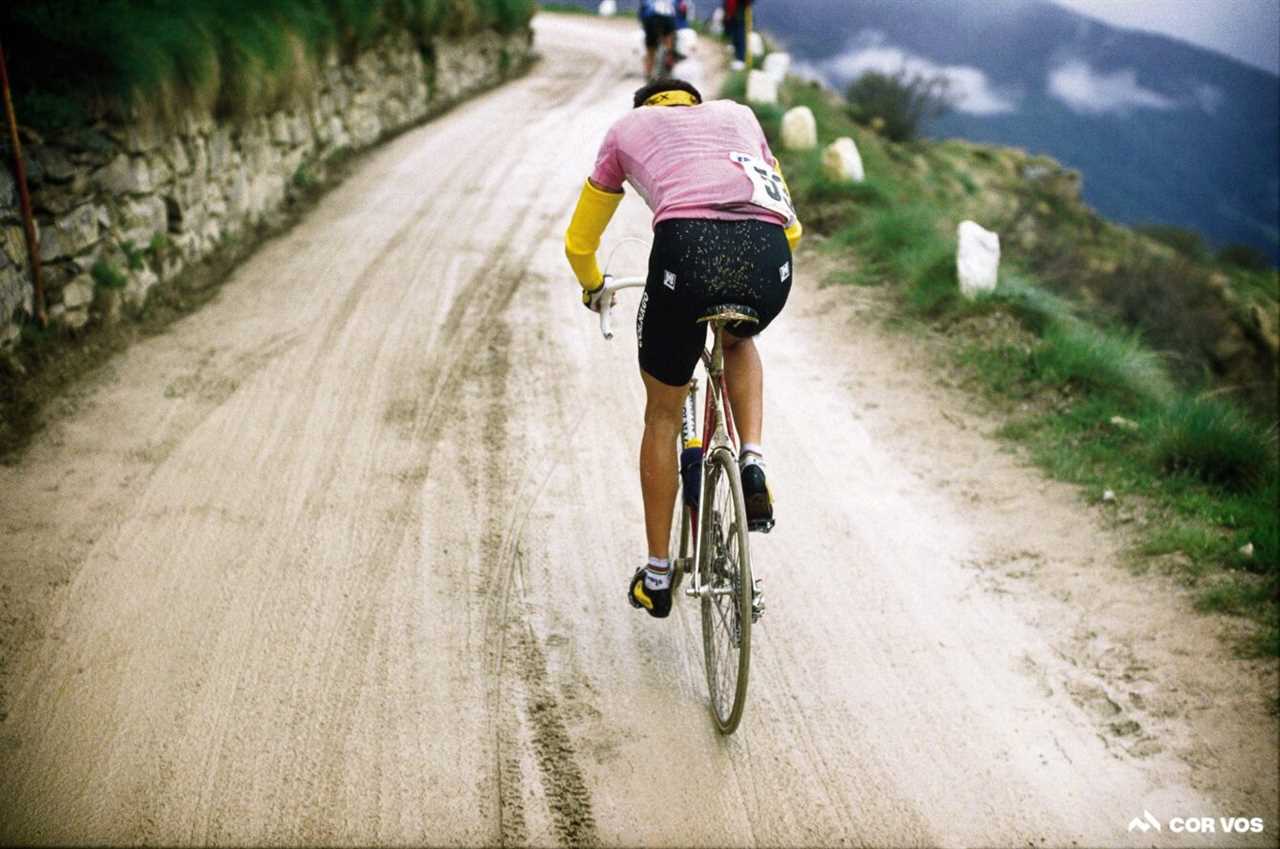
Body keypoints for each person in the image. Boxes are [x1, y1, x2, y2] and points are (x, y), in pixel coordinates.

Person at [563, 78, 802, 619]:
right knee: (740, 341)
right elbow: (792, 229)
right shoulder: (740, 116)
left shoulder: (626, 130)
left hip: (685, 254)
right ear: (695, 102)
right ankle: (753, 459)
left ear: (646, 106)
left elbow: (579, 243)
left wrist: (594, 284)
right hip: (767, 257)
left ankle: (657, 574)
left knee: (663, 417)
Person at [638, 0, 679, 79]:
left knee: (650, 50)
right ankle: (669, 56)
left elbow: (642, 10)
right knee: (669, 41)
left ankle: (648, 73)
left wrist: (644, 25)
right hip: (668, 18)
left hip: (650, 18)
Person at [722, 0, 752, 70]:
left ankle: (740, 59)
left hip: (738, 8)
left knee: (739, 30)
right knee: (737, 28)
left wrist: (728, 12)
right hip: (737, 7)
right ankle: (737, 55)